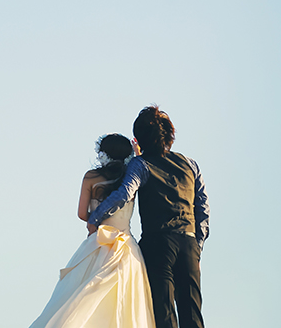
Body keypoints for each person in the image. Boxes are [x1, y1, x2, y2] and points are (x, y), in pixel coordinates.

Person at [88, 105, 209, 328]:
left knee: (163, 313)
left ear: (140, 138)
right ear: (170, 135)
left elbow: (124, 193)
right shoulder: (190, 164)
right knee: (192, 314)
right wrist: (197, 244)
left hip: (158, 243)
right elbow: (202, 208)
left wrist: (94, 217)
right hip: (189, 242)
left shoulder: (141, 164)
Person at [28, 134, 155, 328]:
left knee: (79, 295)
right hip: (127, 247)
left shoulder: (91, 177)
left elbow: (81, 213)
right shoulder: (132, 178)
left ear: (103, 154)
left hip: (98, 242)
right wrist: (138, 155)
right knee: (126, 304)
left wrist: (96, 219)